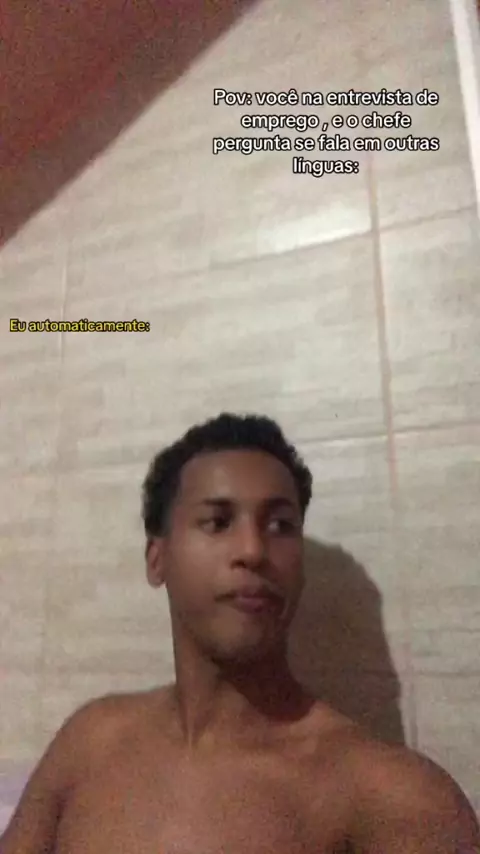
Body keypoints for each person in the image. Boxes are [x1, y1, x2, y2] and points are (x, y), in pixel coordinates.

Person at [1, 413, 479, 853]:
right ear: (157, 559)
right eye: (218, 522)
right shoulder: (91, 741)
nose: (253, 550)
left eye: (281, 525)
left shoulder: (391, 797)